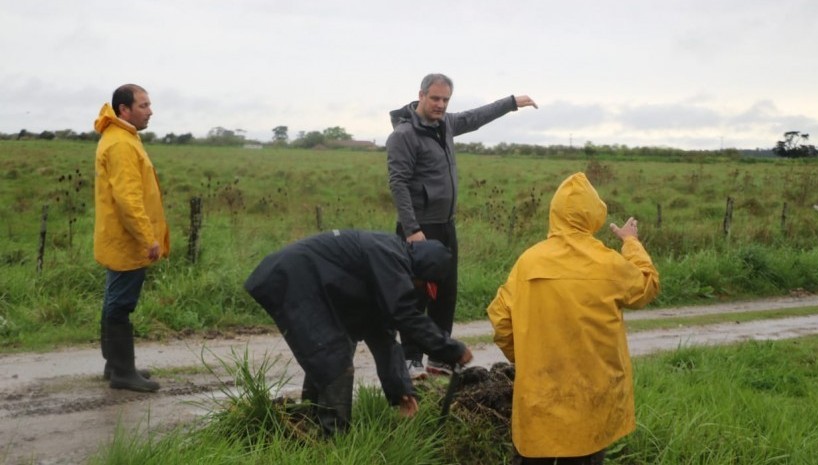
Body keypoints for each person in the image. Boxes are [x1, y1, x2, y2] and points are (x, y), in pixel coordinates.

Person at [487, 172, 660, 465]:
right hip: (591, 402)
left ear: (554, 213)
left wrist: (525, 358)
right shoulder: (607, 263)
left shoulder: (528, 261)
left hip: (539, 397)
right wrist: (631, 243)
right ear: (593, 214)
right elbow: (647, 284)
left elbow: (501, 318)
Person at [243, 229, 474, 436]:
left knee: (331, 353)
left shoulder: (389, 264)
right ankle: (334, 444)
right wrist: (451, 349)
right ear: (422, 272)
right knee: (333, 358)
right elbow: (404, 315)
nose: (420, 291)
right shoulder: (390, 257)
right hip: (293, 278)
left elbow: (383, 334)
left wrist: (401, 390)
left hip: (306, 282)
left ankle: (309, 422)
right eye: (424, 286)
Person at [386, 73, 537, 379]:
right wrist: (412, 229)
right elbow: (398, 183)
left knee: (446, 294)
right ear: (421, 96)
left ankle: (440, 357)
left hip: (445, 225)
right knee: (416, 295)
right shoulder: (404, 135)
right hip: (418, 229)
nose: (440, 105)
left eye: (445, 100)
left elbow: (476, 117)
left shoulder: (447, 125)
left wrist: (511, 103)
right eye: (435, 99)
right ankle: (410, 359)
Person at [93, 84, 169, 393]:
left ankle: (116, 365)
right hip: (128, 239)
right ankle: (123, 372)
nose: (150, 110)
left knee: (114, 301)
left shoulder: (121, 137)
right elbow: (128, 198)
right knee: (120, 304)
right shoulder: (122, 144)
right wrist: (147, 236)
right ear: (124, 109)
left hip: (119, 237)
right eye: (144, 105)